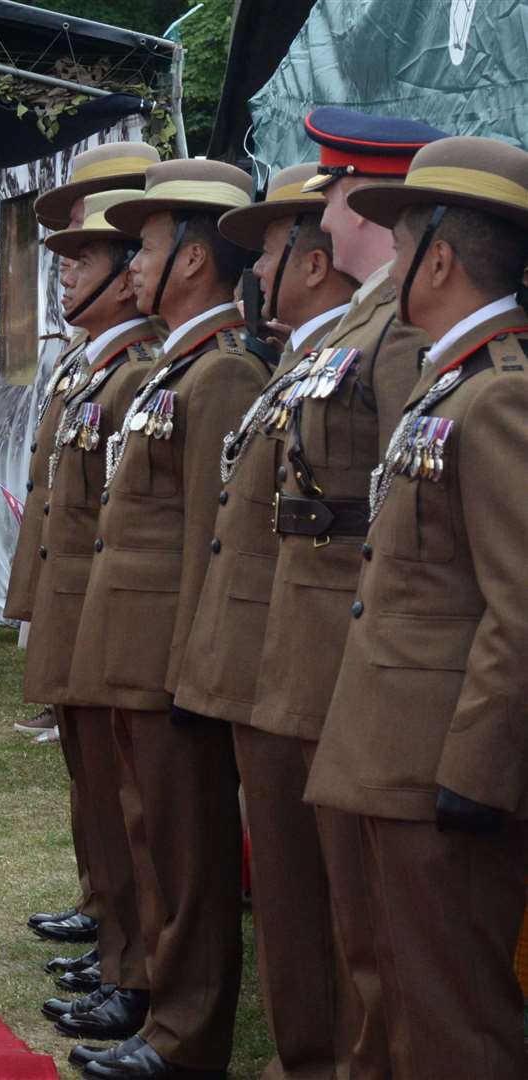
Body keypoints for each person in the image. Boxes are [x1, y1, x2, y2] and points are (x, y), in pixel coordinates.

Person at [304, 135, 528, 1079]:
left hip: (439, 766)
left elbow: (520, 610)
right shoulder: (454, 383)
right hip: (389, 755)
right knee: (392, 1004)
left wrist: (476, 775)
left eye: (400, 247)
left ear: (439, 258)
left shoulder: (500, 396)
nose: (389, 263)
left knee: (452, 1024)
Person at [247, 109, 443, 1077]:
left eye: (331, 187)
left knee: (364, 926)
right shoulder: (363, 317)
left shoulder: (400, 329)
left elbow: (410, 505)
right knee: (314, 900)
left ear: (366, 193)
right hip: (310, 632)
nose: (321, 205)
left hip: (355, 643)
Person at [65, 161, 269, 1080]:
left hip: (168, 656)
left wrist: (193, 667)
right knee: (154, 840)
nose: (133, 262)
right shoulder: (178, 365)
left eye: (145, 244)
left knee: (188, 858)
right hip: (134, 648)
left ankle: (186, 1037)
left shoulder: (219, 371)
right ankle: (163, 1016)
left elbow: (205, 542)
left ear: (193, 257)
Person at [159, 162, 360, 1078]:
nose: (257, 272)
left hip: (317, 666)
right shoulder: (305, 360)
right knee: (289, 902)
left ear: (314, 263)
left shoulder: (367, 357)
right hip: (267, 654)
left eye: (272, 250)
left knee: (328, 913)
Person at [23, 189, 161, 1047]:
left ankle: (132, 963)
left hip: (110, 611)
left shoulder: (140, 367)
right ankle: (114, 938)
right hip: (76, 599)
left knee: (128, 802)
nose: (66, 271)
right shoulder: (92, 361)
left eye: (84, 259)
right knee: (97, 792)